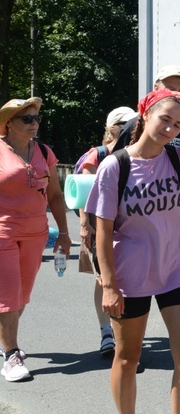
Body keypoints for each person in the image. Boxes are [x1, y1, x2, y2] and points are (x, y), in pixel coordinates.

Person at [85, 90, 180, 414]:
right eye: (165, 119)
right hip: (131, 273)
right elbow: (103, 229)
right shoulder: (115, 166)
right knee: (128, 358)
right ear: (145, 115)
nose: (170, 129)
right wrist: (109, 286)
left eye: (178, 124)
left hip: (177, 269)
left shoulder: (178, 157)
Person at [113, 65, 180, 378]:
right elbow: (111, 174)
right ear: (156, 88)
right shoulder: (136, 126)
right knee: (133, 311)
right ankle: (131, 353)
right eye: (172, 88)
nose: (178, 96)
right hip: (136, 239)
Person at [0, 97, 71, 382]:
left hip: (36, 233)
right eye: (26, 119)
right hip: (2, 231)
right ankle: (11, 355)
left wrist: (64, 233)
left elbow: (55, 195)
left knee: (21, 296)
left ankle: (7, 340)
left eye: (36, 118)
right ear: (8, 124)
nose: (34, 123)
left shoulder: (44, 152)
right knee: (8, 295)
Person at [78, 106, 138, 356]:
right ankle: (107, 334)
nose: (130, 127)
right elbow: (84, 193)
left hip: (127, 227)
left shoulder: (137, 152)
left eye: (133, 122)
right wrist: (85, 225)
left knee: (125, 279)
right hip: (98, 227)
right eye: (124, 123)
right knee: (103, 279)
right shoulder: (98, 155)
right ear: (112, 127)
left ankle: (122, 332)